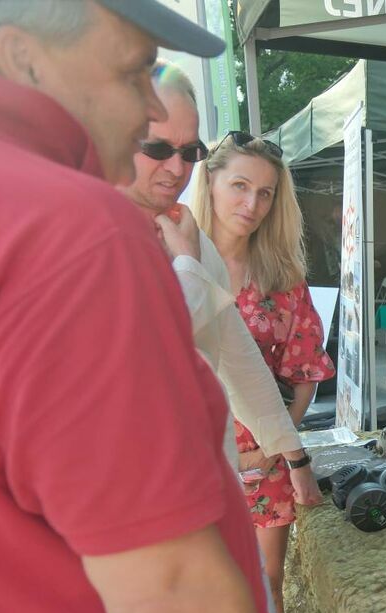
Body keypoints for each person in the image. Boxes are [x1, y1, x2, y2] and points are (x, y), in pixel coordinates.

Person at [0, 2, 298, 613]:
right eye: (131, 72)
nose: (151, 112)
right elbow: (164, 585)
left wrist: (290, 448)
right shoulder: (70, 226)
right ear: (24, 58)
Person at [120, 60, 321, 504]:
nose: (176, 168)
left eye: (189, 152)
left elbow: (239, 359)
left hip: (198, 492)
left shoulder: (186, 234)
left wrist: (296, 460)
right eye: (157, 148)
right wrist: (189, 267)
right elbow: (140, 361)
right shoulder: (82, 229)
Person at [192, 130, 336, 613]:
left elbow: (304, 371)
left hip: (264, 460)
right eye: (239, 185)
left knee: (265, 583)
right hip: (189, 460)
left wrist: (275, 450)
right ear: (209, 182)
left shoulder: (281, 275)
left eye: (265, 192)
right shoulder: (174, 258)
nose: (251, 203)